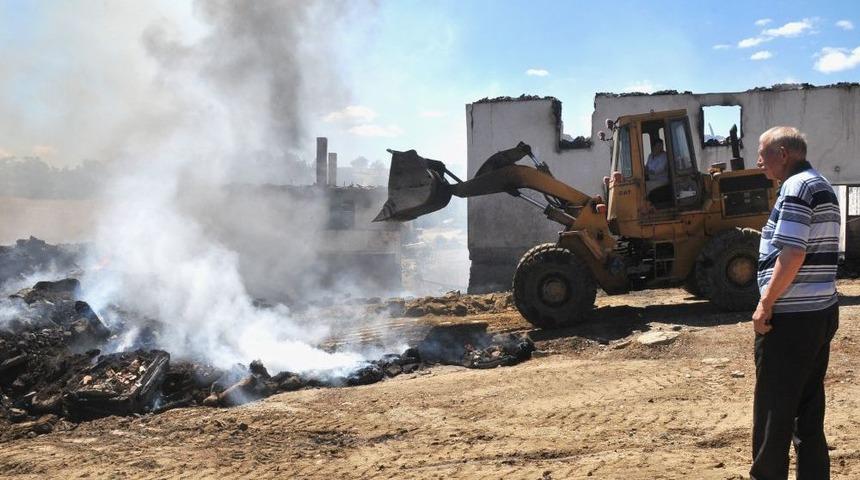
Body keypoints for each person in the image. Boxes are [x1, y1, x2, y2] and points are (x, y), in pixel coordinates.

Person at [751, 126, 840, 480]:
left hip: (791, 318)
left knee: (774, 411)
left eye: (763, 153)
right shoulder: (822, 185)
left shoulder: (796, 188)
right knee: (808, 408)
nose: (759, 161)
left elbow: (792, 253)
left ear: (783, 153)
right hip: (819, 313)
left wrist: (765, 303)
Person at [645, 137, 671, 204]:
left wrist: (647, 171)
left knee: (644, 186)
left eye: (662, 146)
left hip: (661, 181)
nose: (661, 148)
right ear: (654, 147)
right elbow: (646, 167)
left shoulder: (664, 156)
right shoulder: (650, 156)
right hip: (652, 180)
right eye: (659, 146)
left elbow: (657, 170)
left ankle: (647, 204)